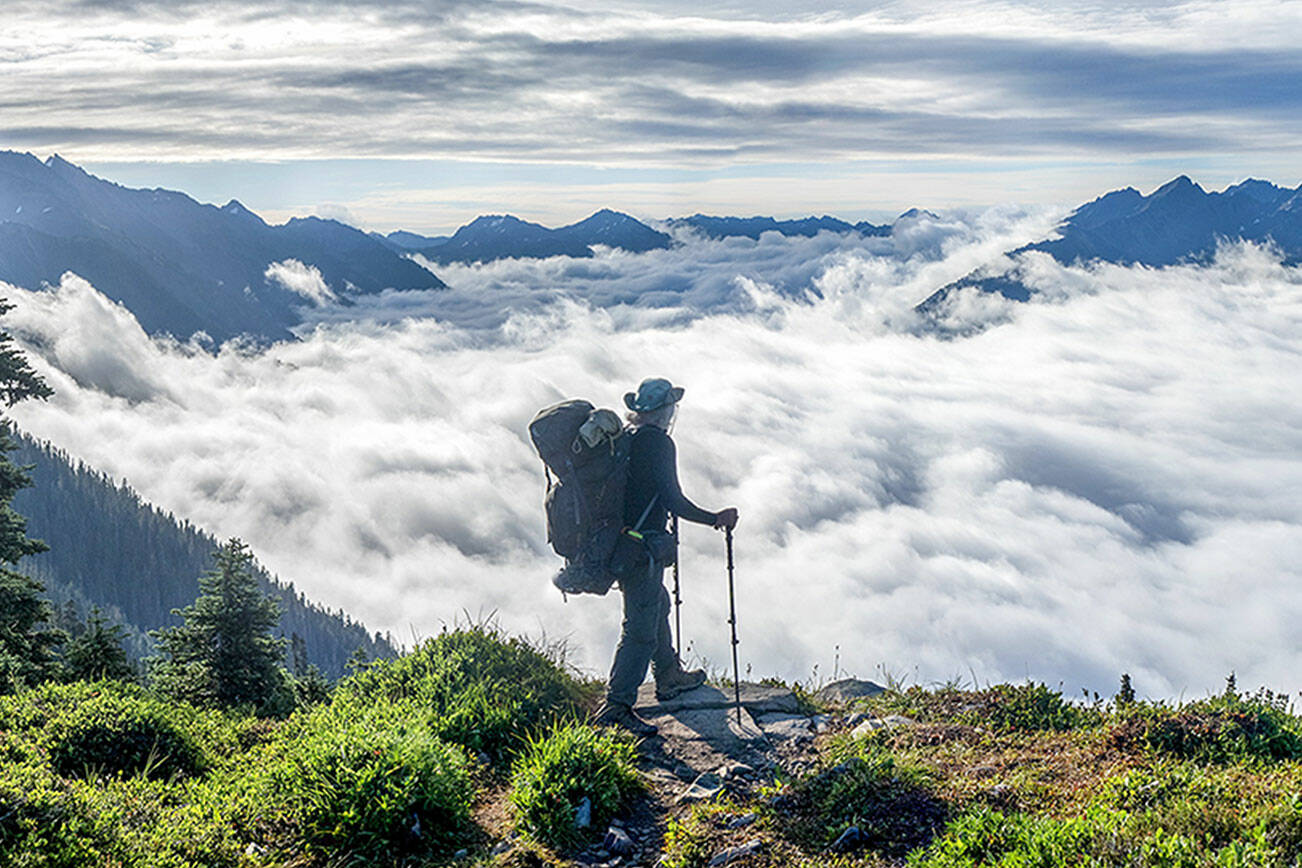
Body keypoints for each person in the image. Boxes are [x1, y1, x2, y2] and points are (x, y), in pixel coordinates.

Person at [592, 377, 739, 735]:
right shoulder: (658, 443)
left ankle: (669, 675)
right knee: (639, 628)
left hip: (621, 543)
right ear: (666, 411)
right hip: (642, 547)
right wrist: (715, 518)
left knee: (657, 605)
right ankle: (617, 704)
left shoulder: (625, 439)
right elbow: (672, 499)